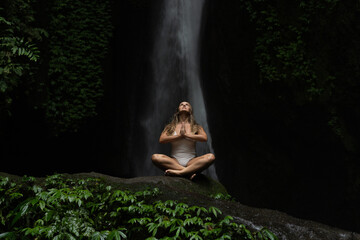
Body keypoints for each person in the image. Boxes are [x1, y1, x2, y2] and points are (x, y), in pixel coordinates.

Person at [151, 101, 215, 179]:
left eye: (187, 105)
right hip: (174, 161)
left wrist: (186, 135)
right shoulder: (170, 126)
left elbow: (204, 138)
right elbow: (162, 139)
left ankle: (180, 172)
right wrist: (179, 136)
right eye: (181, 104)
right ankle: (188, 173)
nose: (184, 105)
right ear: (178, 110)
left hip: (191, 161)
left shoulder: (196, 127)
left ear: (190, 110)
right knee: (155, 157)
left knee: (211, 157)